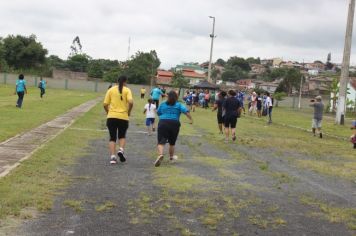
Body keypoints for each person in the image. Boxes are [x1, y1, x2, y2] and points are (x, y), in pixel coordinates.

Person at [154, 90, 193, 167]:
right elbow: (186, 112)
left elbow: (158, 113)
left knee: (161, 142)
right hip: (174, 124)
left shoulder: (163, 104)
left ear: (168, 97)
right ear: (176, 97)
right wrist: (191, 119)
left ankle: (160, 155)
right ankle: (171, 158)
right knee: (172, 143)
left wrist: (164, 115)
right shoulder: (179, 105)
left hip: (163, 123)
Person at [103, 75, 134, 165]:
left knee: (112, 137)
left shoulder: (111, 90)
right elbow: (131, 102)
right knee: (122, 136)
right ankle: (121, 149)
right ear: (125, 81)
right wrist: (129, 111)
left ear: (117, 81)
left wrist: (108, 112)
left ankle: (113, 157)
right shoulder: (127, 90)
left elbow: (105, 104)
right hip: (123, 117)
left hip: (111, 116)